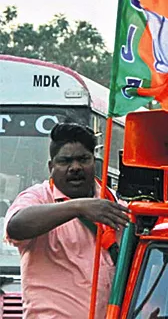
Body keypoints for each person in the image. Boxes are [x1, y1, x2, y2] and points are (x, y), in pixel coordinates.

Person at [4, 123, 130, 319]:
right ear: (51, 167)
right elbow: (15, 227)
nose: (75, 167)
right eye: (65, 161)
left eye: (83, 159)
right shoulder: (38, 197)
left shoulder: (112, 202)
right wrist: (78, 207)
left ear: (94, 163)